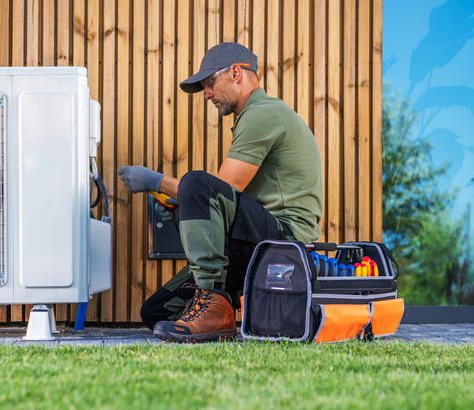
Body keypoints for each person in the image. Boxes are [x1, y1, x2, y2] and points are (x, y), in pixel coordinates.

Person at [117, 42, 323, 343]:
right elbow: (227, 204)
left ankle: (213, 303)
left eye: (210, 82)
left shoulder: (263, 114)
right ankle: (214, 307)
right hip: (255, 241)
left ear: (236, 72)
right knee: (157, 311)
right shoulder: (253, 117)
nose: (208, 94)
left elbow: (222, 189)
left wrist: (155, 181)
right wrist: (181, 209)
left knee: (197, 182)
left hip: (285, 242)